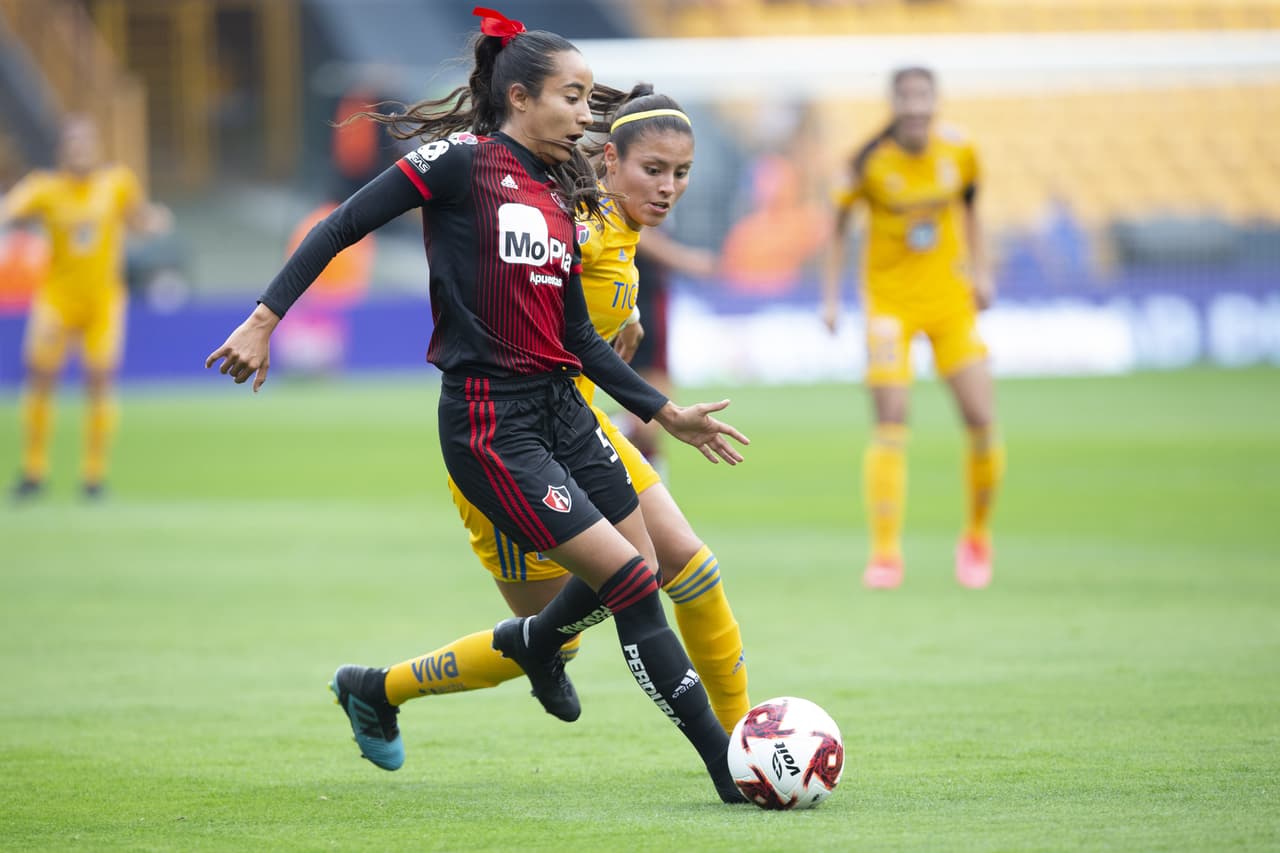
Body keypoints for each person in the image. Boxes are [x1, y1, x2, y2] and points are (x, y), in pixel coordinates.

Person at [205, 9, 748, 803]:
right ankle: (729, 771)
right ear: (520, 97)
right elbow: (344, 222)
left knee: (630, 581)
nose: (586, 114)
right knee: (632, 585)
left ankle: (523, 654)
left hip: (564, 412)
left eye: (589, 97)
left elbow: (578, 339)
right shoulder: (459, 163)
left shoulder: (560, 193)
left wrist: (666, 413)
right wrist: (264, 318)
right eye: (573, 96)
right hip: (495, 423)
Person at [359, 85, 750, 749]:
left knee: (691, 568)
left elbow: (588, 298)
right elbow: (533, 286)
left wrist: (626, 312)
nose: (668, 188)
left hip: (580, 427)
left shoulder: (618, 227)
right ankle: (378, 689)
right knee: (553, 640)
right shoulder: (579, 224)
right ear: (610, 163)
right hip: (510, 445)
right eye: (654, 170)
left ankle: (744, 741)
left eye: (681, 173)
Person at [821, 67, 1005, 590]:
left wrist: (982, 271)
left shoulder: (960, 151)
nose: (917, 107)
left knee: (981, 420)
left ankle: (977, 538)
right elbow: (837, 228)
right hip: (890, 307)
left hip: (950, 302)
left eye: (925, 96)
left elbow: (971, 210)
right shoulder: (868, 161)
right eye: (907, 97)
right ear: (895, 103)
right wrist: (831, 299)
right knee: (891, 420)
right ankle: (885, 554)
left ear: (935, 101)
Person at [3, 116, 170, 500]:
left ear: (97, 148)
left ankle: (93, 476)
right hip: (57, 298)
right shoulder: (44, 187)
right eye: (73, 144)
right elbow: (10, 209)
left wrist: (155, 222)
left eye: (85, 143)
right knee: (40, 375)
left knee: (99, 379)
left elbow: (138, 218)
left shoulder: (117, 183)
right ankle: (34, 470)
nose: (79, 151)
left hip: (103, 300)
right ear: (62, 150)